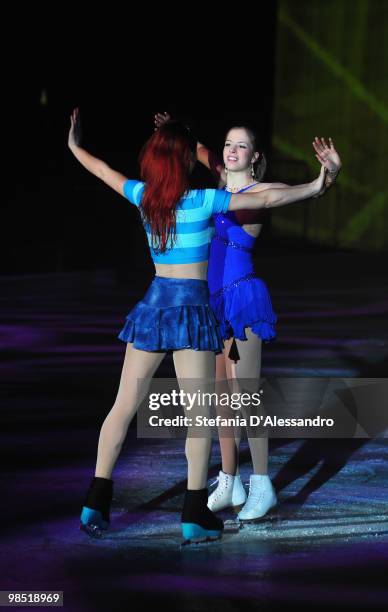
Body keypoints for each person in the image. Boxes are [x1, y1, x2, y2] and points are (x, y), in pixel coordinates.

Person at [68, 108, 326, 543]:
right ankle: (193, 515)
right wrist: (318, 184)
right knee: (200, 417)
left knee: (122, 407)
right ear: (185, 162)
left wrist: (74, 145)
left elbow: (102, 170)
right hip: (191, 311)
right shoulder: (203, 200)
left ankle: (95, 500)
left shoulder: (142, 195)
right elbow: (264, 200)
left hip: (153, 306)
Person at [155, 113, 342, 521]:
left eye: (241, 145)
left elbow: (305, 192)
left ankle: (263, 483)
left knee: (245, 396)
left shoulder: (263, 189)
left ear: (255, 156)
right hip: (213, 300)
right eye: (228, 145)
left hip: (242, 299)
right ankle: (229, 480)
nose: (232, 151)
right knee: (222, 397)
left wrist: (325, 176)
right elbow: (200, 151)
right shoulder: (219, 183)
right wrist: (179, 130)